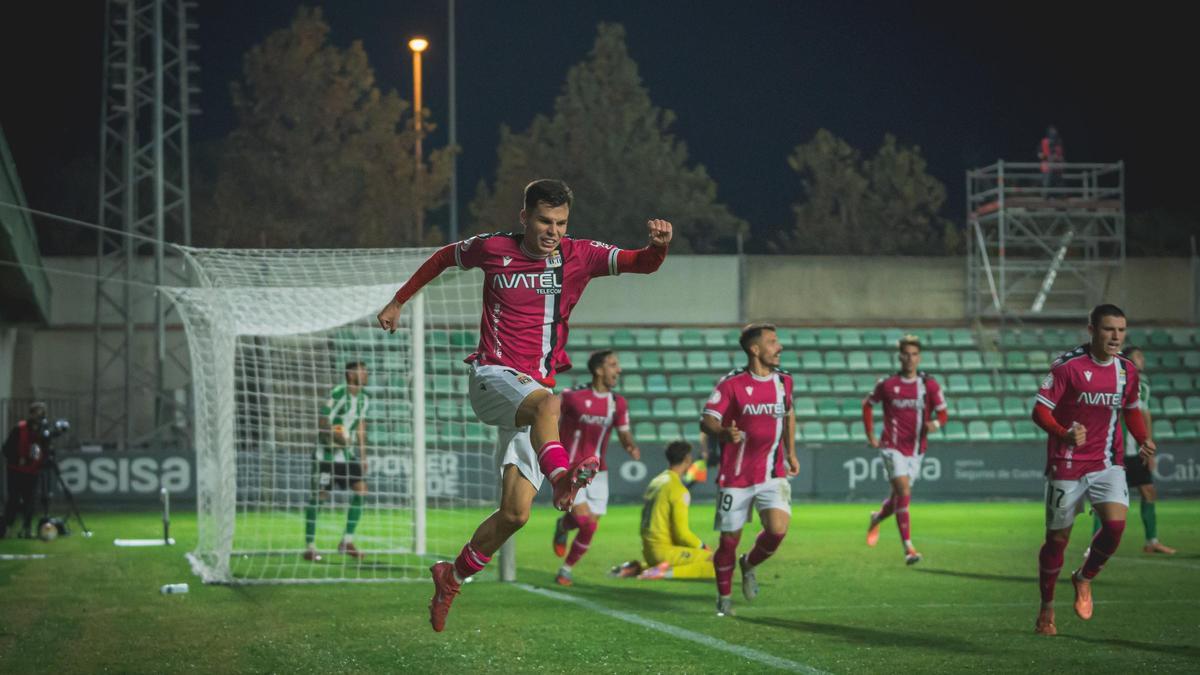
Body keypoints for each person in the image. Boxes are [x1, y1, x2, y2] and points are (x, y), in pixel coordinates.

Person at [376, 178, 672, 631]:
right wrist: (398, 301)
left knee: (515, 513)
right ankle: (562, 478)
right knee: (548, 404)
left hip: (530, 398)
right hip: (492, 378)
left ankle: (451, 576)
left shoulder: (580, 255)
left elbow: (642, 264)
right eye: (544, 221)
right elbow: (442, 258)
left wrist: (658, 247)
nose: (553, 230)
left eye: (561, 222)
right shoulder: (493, 248)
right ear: (524, 217)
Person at [1031, 304, 1153, 636]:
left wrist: (1142, 439)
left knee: (1115, 527)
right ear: (1091, 330)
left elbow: (1131, 410)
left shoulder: (1127, 371)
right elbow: (1039, 412)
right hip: (1066, 462)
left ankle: (1084, 577)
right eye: (1108, 329)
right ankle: (1047, 607)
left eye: (1121, 330)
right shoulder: (1066, 367)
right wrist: (1064, 433)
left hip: (1106, 462)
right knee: (1057, 539)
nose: (1115, 336)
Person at [700, 323, 798, 617]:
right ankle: (724, 597)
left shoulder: (784, 382)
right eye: (772, 342)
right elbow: (708, 418)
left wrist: (791, 452)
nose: (779, 347)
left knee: (777, 531)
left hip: (772, 472)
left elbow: (789, 414)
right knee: (729, 540)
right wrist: (722, 433)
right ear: (755, 350)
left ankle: (749, 564)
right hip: (736, 477)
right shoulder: (731, 384)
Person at [552, 349, 641, 586]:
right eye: (613, 364)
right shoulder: (571, 396)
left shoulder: (617, 403)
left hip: (599, 473)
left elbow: (624, 433)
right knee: (585, 523)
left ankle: (563, 533)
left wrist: (630, 446)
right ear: (598, 369)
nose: (618, 370)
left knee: (590, 526)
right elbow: (549, 418)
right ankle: (566, 570)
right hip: (571, 469)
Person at [862, 335, 948, 564]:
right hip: (891, 446)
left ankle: (877, 517)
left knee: (899, 495)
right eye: (906, 354)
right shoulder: (887, 384)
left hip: (917, 449)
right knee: (903, 491)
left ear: (919, 358)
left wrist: (935, 424)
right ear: (899, 356)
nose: (910, 359)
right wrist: (870, 434)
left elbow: (943, 413)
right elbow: (867, 405)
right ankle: (908, 548)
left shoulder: (929, 385)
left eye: (914, 355)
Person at [1089, 346, 1174, 554]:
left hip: (1130, 451)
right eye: (1138, 356)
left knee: (1147, 491)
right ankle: (1095, 545)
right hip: (1116, 450)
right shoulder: (1125, 382)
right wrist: (1149, 446)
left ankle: (1151, 541)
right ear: (1128, 360)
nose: (1142, 359)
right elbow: (1144, 416)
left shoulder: (1137, 383)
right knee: (1108, 499)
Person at [304, 361, 371, 561]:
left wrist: (363, 455)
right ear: (350, 374)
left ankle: (346, 541)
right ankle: (310, 546)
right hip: (326, 455)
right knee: (320, 496)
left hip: (347, 456)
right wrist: (336, 437)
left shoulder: (364, 399)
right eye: (362, 370)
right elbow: (323, 423)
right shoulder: (338, 393)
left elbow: (360, 426)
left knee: (361, 490)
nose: (366, 374)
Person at [634, 441, 715, 580]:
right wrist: (703, 547)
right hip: (664, 552)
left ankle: (637, 567)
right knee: (717, 563)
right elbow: (681, 534)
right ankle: (662, 573)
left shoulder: (656, 481)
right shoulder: (678, 489)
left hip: (648, 551)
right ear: (688, 459)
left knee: (695, 554)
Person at [1, 403, 49, 539]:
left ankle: (27, 529)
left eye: (42, 413)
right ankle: (7, 528)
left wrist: (40, 462)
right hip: (16, 470)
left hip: (32, 471)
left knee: (30, 501)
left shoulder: (43, 432)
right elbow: (6, 449)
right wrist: (18, 459)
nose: (40, 416)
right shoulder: (19, 429)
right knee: (13, 500)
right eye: (37, 413)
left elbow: (45, 451)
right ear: (31, 414)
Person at [1038, 125, 1065, 195]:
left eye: (1055, 132)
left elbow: (1061, 156)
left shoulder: (1059, 142)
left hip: (1056, 167)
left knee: (1059, 182)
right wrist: (1047, 157)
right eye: (1052, 132)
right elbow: (1039, 154)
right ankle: (1046, 196)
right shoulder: (1044, 142)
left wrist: (1057, 158)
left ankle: (1060, 196)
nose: (1053, 134)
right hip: (1047, 166)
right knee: (1047, 181)